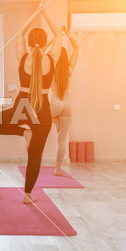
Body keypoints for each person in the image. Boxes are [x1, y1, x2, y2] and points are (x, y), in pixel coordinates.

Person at [0, 2, 62, 203]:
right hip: (42, 108)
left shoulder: (22, 57)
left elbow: (19, 34)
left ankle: (23, 132)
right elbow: (60, 35)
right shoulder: (52, 59)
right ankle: (28, 195)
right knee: (35, 155)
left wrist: (35, 13)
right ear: (46, 43)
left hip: (22, 105)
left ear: (29, 43)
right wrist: (45, 12)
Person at [49, 27, 79, 176]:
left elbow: (45, 51)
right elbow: (77, 48)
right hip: (68, 105)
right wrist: (68, 35)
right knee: (62, 139)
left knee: (36, 120)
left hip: (55, 103)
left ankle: (55, 119)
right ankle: (57, 170)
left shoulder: (50, 66)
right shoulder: (69, 69)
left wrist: (55, 38)